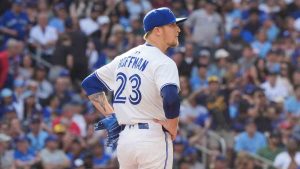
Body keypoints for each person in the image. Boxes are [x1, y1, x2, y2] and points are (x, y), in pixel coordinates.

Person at [81, 7, 186, 169]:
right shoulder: (164, 62)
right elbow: (171, 98)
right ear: (157, 31)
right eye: (172, 25)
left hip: (126, 140)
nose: (178, 29)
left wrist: (112, 115)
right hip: (152, 137)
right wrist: (173, 126)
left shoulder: (123, 58)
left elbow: (90, 84)